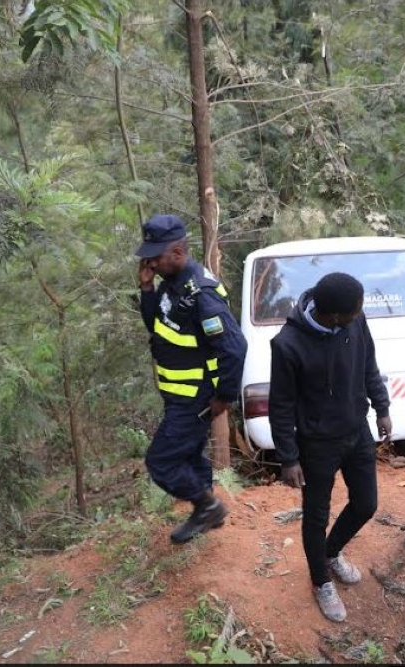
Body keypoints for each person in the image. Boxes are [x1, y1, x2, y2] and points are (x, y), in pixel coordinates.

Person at [268, 272, 392, 623]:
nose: (360, 313)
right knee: (316, 516)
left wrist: (382, 408)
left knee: (366, 504)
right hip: (317, 444)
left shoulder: (355, 322)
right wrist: (289, 457)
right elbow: (281, 404)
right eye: (355, 311)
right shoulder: (288, 344)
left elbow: (369, 365)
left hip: (357, 431)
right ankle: (321, 580)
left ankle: (330, 553)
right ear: (334, 316)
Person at [135, 214, 247, 544]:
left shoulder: (203, 295)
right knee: (190, 455)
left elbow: (235, 347)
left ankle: (207, 506)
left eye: (156, 256)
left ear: (179, 251)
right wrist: (146, 289)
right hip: (179, 394)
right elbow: (159, 326)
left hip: (193, 397)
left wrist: (225, 397)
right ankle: (207, 514)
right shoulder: (172, 283)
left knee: (161, 461)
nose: (151, 262)